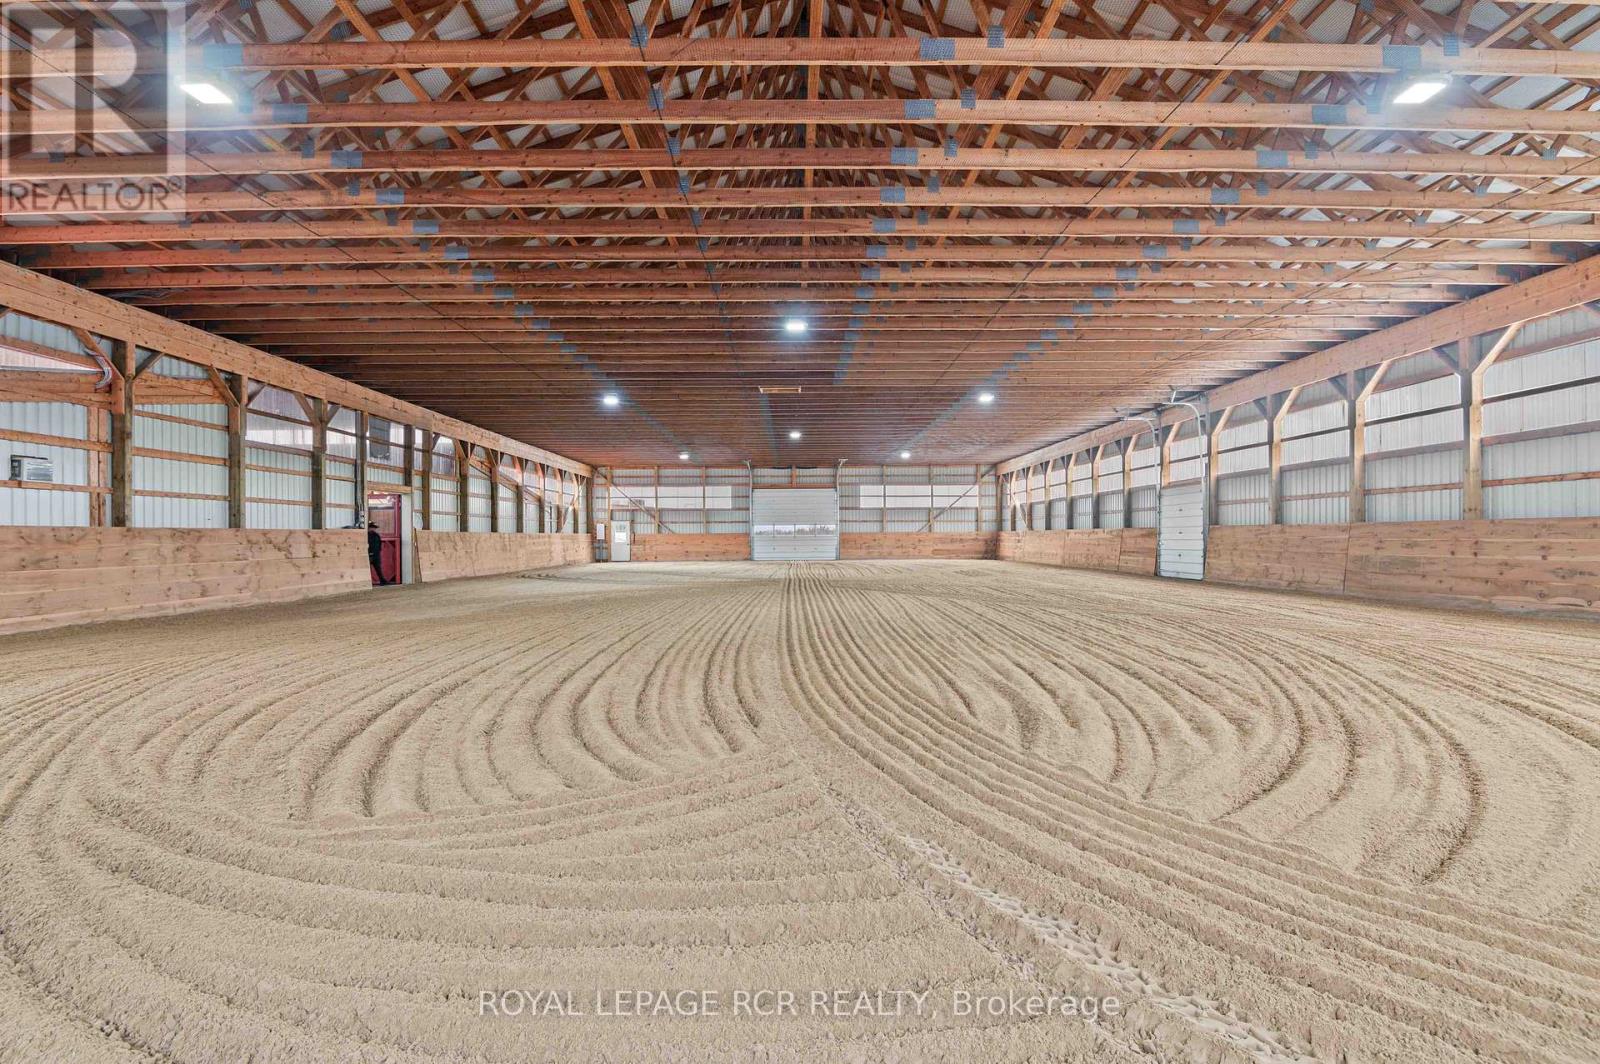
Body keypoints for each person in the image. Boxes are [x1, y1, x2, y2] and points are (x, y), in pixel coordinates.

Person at [367, 520, 388, 585]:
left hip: (376, 555)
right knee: (368, 570)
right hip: (369, 554)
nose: (374, 529)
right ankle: (368, 581)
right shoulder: (367, 535)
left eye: (374, 528)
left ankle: (382, 580)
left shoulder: (376, 535)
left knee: (378, 569)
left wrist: (377, 553)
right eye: (372, 527)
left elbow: (379, 545)